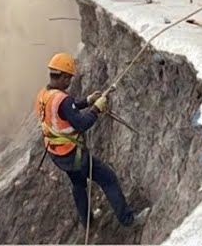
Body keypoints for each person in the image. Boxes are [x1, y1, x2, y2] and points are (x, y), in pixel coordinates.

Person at [35, 53, 149, 232]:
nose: (70, 82)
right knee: (108, 179)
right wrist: (96, 108)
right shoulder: (62, 100)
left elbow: (65, 112)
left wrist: (87, 101)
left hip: (57, 154)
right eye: (69, 78)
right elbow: (81, 124)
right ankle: (128, 220)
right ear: (64, 76)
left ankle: (87, 221)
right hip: (74, 156)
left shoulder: (44, 95)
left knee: (78, 184)